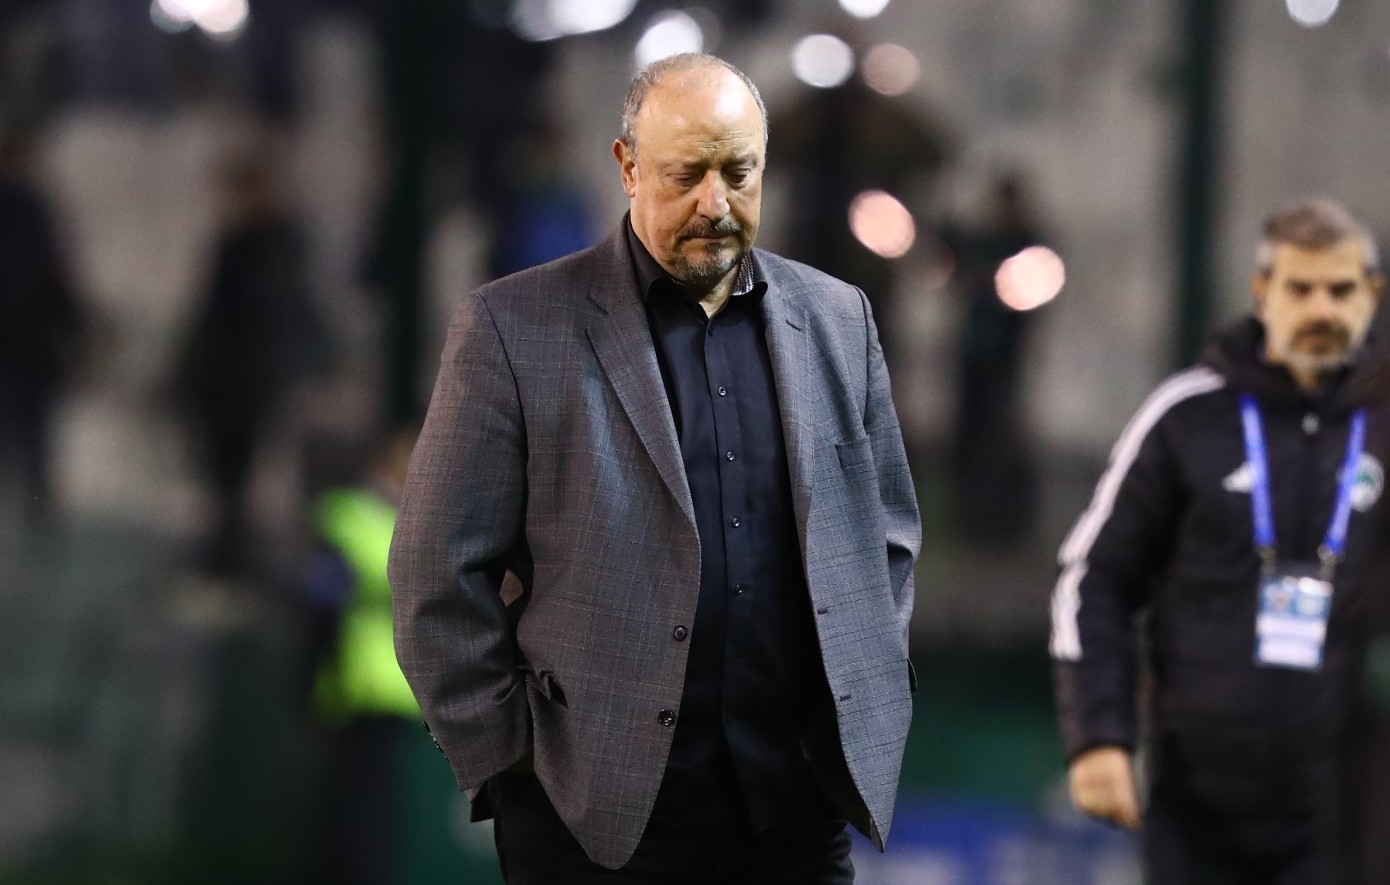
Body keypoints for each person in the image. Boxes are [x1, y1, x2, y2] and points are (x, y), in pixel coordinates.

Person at [389, 53, 921, 882]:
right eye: (686, 174)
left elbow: (886, 536)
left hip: (794, 811)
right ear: (628, 166)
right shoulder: (512, 327)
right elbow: (435, 567)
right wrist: (508, 752)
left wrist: (861, 691)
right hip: (593, 822)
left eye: (738, 172)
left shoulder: (839, 318)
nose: (715, 202)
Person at [1050, 198, 1386, 883]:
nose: (1321, 309)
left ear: (1372, 294)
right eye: (1300, 288)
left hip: (1354, 809)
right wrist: (1099, 734)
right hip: (1198, 811)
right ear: (1262, 291)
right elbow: (1095, 578)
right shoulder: (1187, 415)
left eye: (1341, 289)